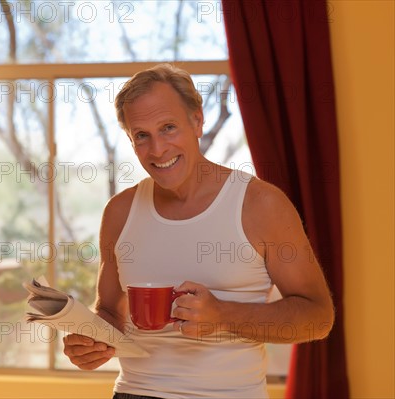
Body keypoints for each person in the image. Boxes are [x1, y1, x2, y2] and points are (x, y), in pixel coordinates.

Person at [62, 63, 335, 399]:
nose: (158, 149)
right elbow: (108, 310)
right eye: (142, 135)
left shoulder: (260, 204)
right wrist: (90, 340)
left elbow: (318, 318)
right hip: (135, 392)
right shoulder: (119, 212)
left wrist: (224, 315)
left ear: (197, 120)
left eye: (168, 128)